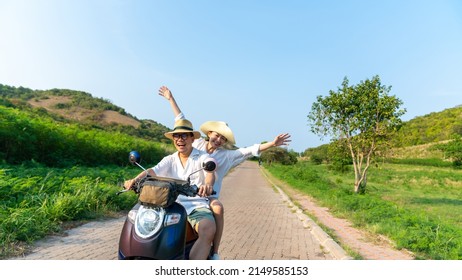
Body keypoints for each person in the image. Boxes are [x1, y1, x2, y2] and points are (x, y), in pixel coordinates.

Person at [158, 86, 291, 260]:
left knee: (218, 208)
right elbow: (181, 121)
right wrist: (170, 98)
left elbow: (250, 150)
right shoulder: (194, 143)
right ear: (209, 133)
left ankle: (215, 252)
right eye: (216, 135)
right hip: (184, 191)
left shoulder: (227, 156)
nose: (218, 140)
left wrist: (273, 144)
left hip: (206, 194)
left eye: (223, 138)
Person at [124, 118, 216, 260]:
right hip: (168, 203)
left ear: (192, 138)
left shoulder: (203, 157)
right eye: (176, 136)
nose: (180, 139)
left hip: (195, 204)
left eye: (184, 135)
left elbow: (210, 171)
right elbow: (152, 171)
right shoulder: (170, 159)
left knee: (208, 228)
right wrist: (135, 180)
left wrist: (208, 185)